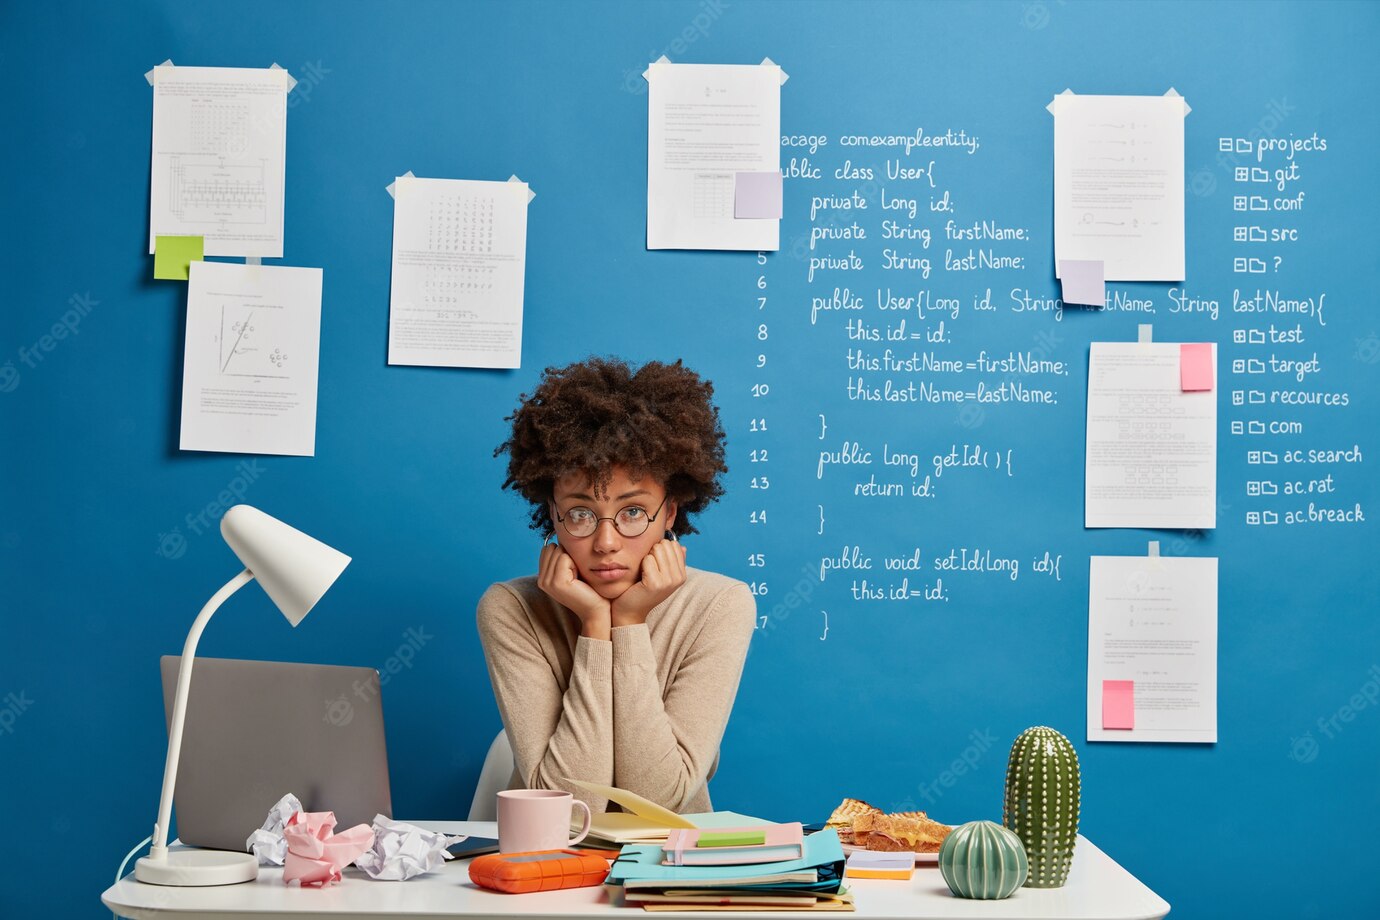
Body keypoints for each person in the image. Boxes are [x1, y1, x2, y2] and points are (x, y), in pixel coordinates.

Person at [476, 357, 756, 815]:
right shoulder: (510, 608)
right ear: (553, 514)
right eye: (582, 514)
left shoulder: (721, 605)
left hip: (676, 874)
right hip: (548, 869)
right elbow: (569, 808)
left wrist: (629, 622)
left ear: (669, 513)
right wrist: (594, 624)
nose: (605, 543)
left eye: (632, 513)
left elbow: (657, 800)